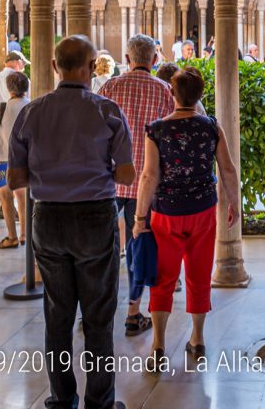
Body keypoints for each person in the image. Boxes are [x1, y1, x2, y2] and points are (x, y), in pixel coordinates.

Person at [8, 35, 133, 409]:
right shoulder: (107, 111)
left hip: (47, 217)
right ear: (92, 68)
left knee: (57, 316)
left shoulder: (32, 112)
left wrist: (52, 171)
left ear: (52, 67)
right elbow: (126, 176)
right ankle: (100, 402)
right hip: (95, 216)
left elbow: (15, 180)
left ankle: (62, 401)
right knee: (98, 318)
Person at [133, 67, 240, 368]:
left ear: (172, 92)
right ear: (201, 95)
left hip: (165, 214)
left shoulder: (156, 129)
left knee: (163, 279)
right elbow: (228, 169)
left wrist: (140, 218)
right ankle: (198, 338)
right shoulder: (211, 127)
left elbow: (149, 176)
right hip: (203, 211)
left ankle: (158, 345)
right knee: (198, 274)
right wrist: (234, 203)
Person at [99, 33, 173, 336]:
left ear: (127, 59)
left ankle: (96, 310)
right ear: (155, 60)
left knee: (103, 248)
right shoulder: (165, 90)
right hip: (147, 185)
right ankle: (133, 312)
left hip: (110, 182)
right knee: (138, 246)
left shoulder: (109, 87)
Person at [0, 70, 30, 248]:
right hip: (24, 158)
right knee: (23, 196)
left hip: (1, 156)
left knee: (5, 196)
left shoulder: (3, 107)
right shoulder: (31, 105)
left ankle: (11, 236)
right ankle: (25, 234)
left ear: (9, 88)